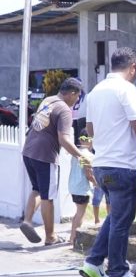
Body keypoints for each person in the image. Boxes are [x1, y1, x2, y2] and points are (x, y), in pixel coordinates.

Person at [79, 47, 136, 277]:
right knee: (122, 220)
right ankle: (118, 273)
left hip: (102, 163)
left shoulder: (96, 90)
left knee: (115, 217)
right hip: (122, 165)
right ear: (132, 66)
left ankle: (94, 262)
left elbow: (90, 130)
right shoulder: (126, 89)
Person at [20, 77, 86, 246]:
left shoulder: (48, 100)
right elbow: (64, 140)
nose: (77, 100)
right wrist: (81, 157)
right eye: (78, 96)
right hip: (45, 156)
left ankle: (27, 221)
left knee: (37, 188)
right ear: (71, 94)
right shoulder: (64, 110)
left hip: (28, 151)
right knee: (48, 196)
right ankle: (50, 237)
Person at [68, 131, 95, 245]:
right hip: (82, 188)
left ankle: (71, 236)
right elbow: (88, 173)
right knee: (80, 214)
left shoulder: (76, 154)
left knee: (78, 212)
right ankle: (74, 238)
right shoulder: (89, 156)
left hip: (73, 186)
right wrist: (96, 183)